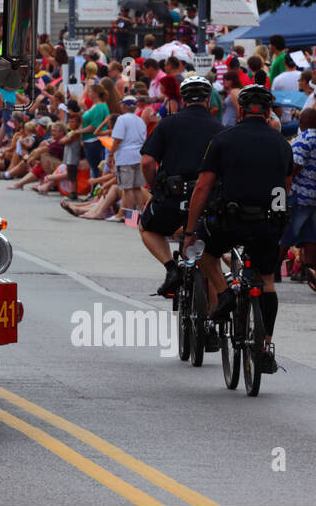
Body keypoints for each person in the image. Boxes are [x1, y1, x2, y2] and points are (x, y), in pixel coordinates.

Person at [185, 84, 295, 374]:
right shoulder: (282, 144)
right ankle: (265, 346)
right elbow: (284, 189)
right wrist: (279, 223)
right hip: (268, 223)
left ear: (241, 112)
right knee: (267, 281)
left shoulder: (223, 140)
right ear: (269, 112)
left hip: (229, 221)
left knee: (206, 254)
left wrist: (189, 231)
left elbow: (203, 186)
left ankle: (224, 293)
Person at [141, 74, 224, 299]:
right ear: (208, 100)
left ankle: (171, 268)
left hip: (173, 196)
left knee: (147, 227)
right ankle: (214, 316)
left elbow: (147, 162)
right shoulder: (220, 128)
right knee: (210, 257)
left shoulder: (168, 123)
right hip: (209, 199)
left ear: (184, 99)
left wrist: (154, 188)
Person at [281, 108, 316, 285]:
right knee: (309, 233)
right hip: (314, 192)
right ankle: (310, 270)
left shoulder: (303, 140)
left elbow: (296, 166)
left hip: (300, 192)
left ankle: (274, 267)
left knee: (289, 229)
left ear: (301, 122)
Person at [109, 96, 147, 215]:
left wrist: (110, 155)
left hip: (126, 157)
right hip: (138, 156)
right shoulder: (140, 120)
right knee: (137, 188)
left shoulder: (122, 119)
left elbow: (117, 140)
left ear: (124, 106)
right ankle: (140, 215)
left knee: (128, 188)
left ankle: (130, 217)